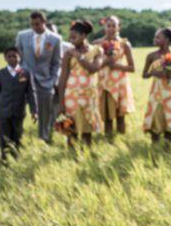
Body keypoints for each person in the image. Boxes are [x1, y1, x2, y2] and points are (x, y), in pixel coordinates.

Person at [15, 11, 62, 144]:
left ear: (44, 22)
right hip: (24, 80)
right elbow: (17, 58)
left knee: (45, 115)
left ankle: (44, 139)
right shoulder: (22, 36)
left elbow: (57, 62)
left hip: (45, 82)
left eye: (37, 24)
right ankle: (16, 139)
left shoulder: (55, 39)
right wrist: (18, 75)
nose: (34, 27)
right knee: (18, 112)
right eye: (31, 24)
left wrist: (53, 80)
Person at [58, 20, 104, 148]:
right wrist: (61, 102)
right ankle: (72, 158)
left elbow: (94, 69)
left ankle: (86, 155)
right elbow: (63, 78)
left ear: (84, 35)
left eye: (74, 37)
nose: (71, 40)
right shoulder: (68, 54)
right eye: (70, 37)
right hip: (71, 96)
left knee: (87, 130)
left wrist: (79, 56)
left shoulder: (97, 50)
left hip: (89, 96)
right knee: (70, 128)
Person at [0, 47, 38, 165]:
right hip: (3, 112)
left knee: (17, 136)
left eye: (15, 56)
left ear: (20, 57)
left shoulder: (26, 73)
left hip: (18, 111)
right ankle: (5, 161)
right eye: (9, 56)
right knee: (4, 137)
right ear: (5, 58)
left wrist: (34, 110)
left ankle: (16, 159)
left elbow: (31, 93)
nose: (12, 58)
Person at [93, 16, 136, 139]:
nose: (111, 29)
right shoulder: (97, 44)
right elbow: (92, 65)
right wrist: (106, 61)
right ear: (104, 27)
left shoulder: (124, 44)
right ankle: (108, 140)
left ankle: (120, 140)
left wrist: (116, 65)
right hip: (104, 84)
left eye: (114, 26)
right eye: (108, 26)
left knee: (120, 116)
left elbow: (132, 67)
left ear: (119, 27)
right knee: (107, 116)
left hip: (119, 83)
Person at [141, 28, 171, 143]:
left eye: (158, 37)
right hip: (156, 93)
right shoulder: (151, 56)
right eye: (155, 37)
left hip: (170, 93)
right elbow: (144, 75)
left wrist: (170, 74)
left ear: (167, 39)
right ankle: (154, 149)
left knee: (169, 122)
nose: (155, 39)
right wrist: (153, 73)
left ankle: (167, 149)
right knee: (155, 121)